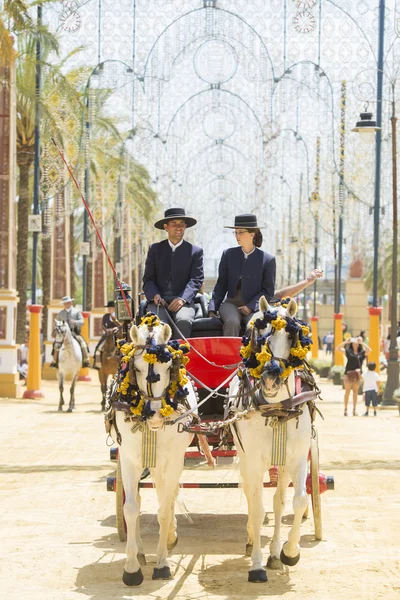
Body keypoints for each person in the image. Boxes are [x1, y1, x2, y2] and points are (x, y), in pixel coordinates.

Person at [208, 214, 276, 336]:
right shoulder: (228, 254)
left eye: (240, 232)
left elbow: (268, 291)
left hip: (253, 306)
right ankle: (229, 355)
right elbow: (221, 285)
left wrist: (250, 306)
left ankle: (249, 355)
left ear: (252, 234)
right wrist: (212, 308)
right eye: (235, 232)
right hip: (230, 303)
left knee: (253, 326)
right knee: (232, 322)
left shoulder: (268, 260)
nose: (237, 236)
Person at [143, 207, 204, 339]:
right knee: (156, 324)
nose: (178, 227)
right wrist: (155, 295)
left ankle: (180, 357)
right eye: (174, 224)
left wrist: (182, 299)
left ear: (185, 226)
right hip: (159, 302)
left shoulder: (195, 252)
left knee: (183, 320)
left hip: (184, 302)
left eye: (182, 224)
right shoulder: (155, 249)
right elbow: (148, 279)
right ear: (166, 227)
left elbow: (196, 280)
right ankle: (158, 356)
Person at [50, 296, 90, 368]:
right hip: (63, 333)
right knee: (56, 344)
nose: (67, 304)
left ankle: (86, 360)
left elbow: (82, 321)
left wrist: (76, 322)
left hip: (74, 332)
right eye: (65, 303)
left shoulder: (77, 312)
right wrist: (56, 330)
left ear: (71, 303)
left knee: (83, 343)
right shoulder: (61, 313)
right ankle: (54, 361)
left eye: (68, 303)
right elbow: (56, 322)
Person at [336, 336, 372, 416]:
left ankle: (354, 410)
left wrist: (362, 343)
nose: (356, 343)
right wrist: (345, 342)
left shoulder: (362, 353)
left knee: (355, 393)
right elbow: (337, 349)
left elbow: (370, 350)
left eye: (357, 342)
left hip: (357, 375)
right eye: (354, 341)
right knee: (347, 392)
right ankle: (345, 410)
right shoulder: (348, 352)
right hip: (348, 374)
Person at [92, 301, 121, 370]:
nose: (109, 309)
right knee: (98, 347)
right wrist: (106, 330)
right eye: (108, 308)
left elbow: (120, 326)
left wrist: (114, 329)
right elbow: (103, 326)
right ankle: (97, 363)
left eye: (110, 308)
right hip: (107, 335)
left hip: (116, 335)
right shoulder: (105, 316)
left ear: (114, 308)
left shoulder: (118, 316)